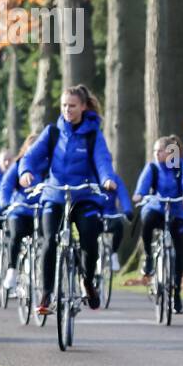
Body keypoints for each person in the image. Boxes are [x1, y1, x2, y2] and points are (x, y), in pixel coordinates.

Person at [18, 84, 119, 314]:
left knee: (89, 236)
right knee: (49, 241)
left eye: (72, 106)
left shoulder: (93, 135)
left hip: (83, 196)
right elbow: (30, 157)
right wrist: (25, 171)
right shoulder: (52, 132)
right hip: (54, 195)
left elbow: (103, 160)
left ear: (83, 106)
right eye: (64, 105)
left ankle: (87, 281)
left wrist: (106, 179)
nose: (67, 110)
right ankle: (46, 295)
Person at [133, 134, 183, 317]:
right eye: (154, 151)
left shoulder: (180, 166)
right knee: (147, 222)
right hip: (156, 208)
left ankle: (176, 294)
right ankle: (149, 258)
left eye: (159, 150)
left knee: (179, 251)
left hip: (176, 211)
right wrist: (139, 195)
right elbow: (143, 185)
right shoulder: (152, 168)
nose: (155, 154)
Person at [0, 133, 40, 292]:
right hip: (19, 209)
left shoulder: (48, 164)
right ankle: (12, 270)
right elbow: (5, 186)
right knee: (16, 235)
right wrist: (6, 204)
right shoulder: (18, 164)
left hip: (40, 210)